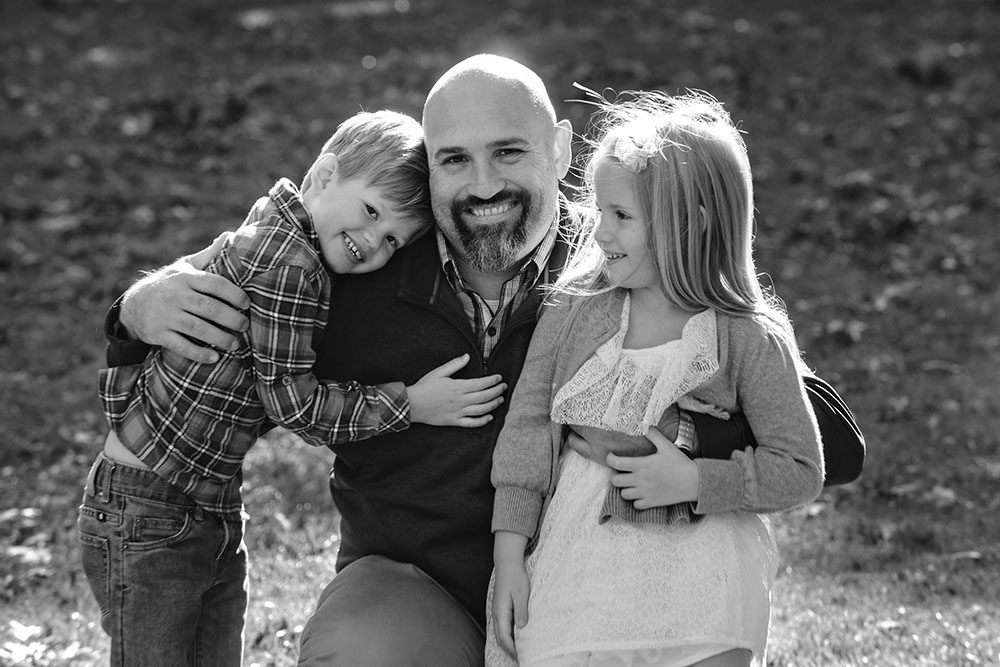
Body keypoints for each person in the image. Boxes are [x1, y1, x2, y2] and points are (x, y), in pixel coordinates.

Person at [101, 55, 863, 666]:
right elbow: (239, 309)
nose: (483, 185)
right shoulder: (365, 265)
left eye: (508, 152)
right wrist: (135, 312)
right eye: (454, 161)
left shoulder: (623, 263)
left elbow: (828, 437)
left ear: (561, 150)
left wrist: (677, 443)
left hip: (584, 589)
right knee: (369, 648)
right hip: (415, 589)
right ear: (426, 166)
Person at [77, 109, 508, 667]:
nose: (372, 243)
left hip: (188, 494)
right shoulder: (291, 267)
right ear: (325, 175)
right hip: (151, 504)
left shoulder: (278, 228)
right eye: (371, 212)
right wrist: (411, 403)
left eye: (393, 241)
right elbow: (293, 404)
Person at [488, 91, 823, 667]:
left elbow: (800, 467)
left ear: (685, 223)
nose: (599, 233)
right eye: (598, 212)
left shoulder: (744, 336)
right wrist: (510, 556)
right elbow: (526, 430)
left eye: (621, 216)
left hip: (701, 582)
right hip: (581, 566)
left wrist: (696, 482)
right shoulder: (575, 310)